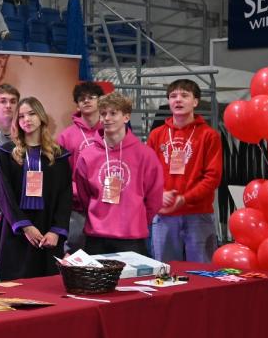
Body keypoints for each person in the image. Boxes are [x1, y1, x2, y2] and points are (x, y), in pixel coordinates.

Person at [73, 92, 163, 256]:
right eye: (103, 114)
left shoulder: (145, 154)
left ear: (126, 117)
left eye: (113, 113)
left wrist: (138, 221)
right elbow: (83, 195)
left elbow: (154, 197)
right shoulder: (87, 155)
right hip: (96, 237)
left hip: (132, 238)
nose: (107, 118)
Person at [145, 79, 221, 264]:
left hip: (198, 215)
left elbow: (213, 178)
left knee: (202, 273)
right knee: (165, 272)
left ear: (195, 101)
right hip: (164, 215)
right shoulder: (156, 135)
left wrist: (185, 199)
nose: (178, 100)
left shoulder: (209, 135)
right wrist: (158, 194)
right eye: (173, 96)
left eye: (184, 95)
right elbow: (147, 174)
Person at [0, 96, 72, 278]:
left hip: (48, 232)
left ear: (41, 117)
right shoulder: (7, 153)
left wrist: (56, 231)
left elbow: (65, 196)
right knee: (13, 287)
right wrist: (25, 226)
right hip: (15, 231)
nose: (27, 120)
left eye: (31, 114)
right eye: (21, 116)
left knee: (46, 287)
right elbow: (5, 195)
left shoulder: (58, 155)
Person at [56, 80, 105, 251]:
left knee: (104, 255)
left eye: (92, 97)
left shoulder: (111, 130)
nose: (87, 101)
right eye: (82, 98)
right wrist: (77, 191)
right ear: (77, 104)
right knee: (76, 253)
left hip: (106, 205)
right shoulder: (66, 136)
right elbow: (60, 174)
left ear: (100, 100)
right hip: (77, 208)